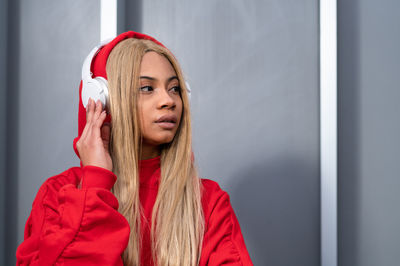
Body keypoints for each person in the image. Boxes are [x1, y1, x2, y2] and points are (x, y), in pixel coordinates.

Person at [16, 31, 253, 266]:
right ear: (103, 98)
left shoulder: (208, 203)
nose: (169, 101)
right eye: (147, 88)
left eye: (175, 89)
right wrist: (95, 184)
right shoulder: (59, 196)